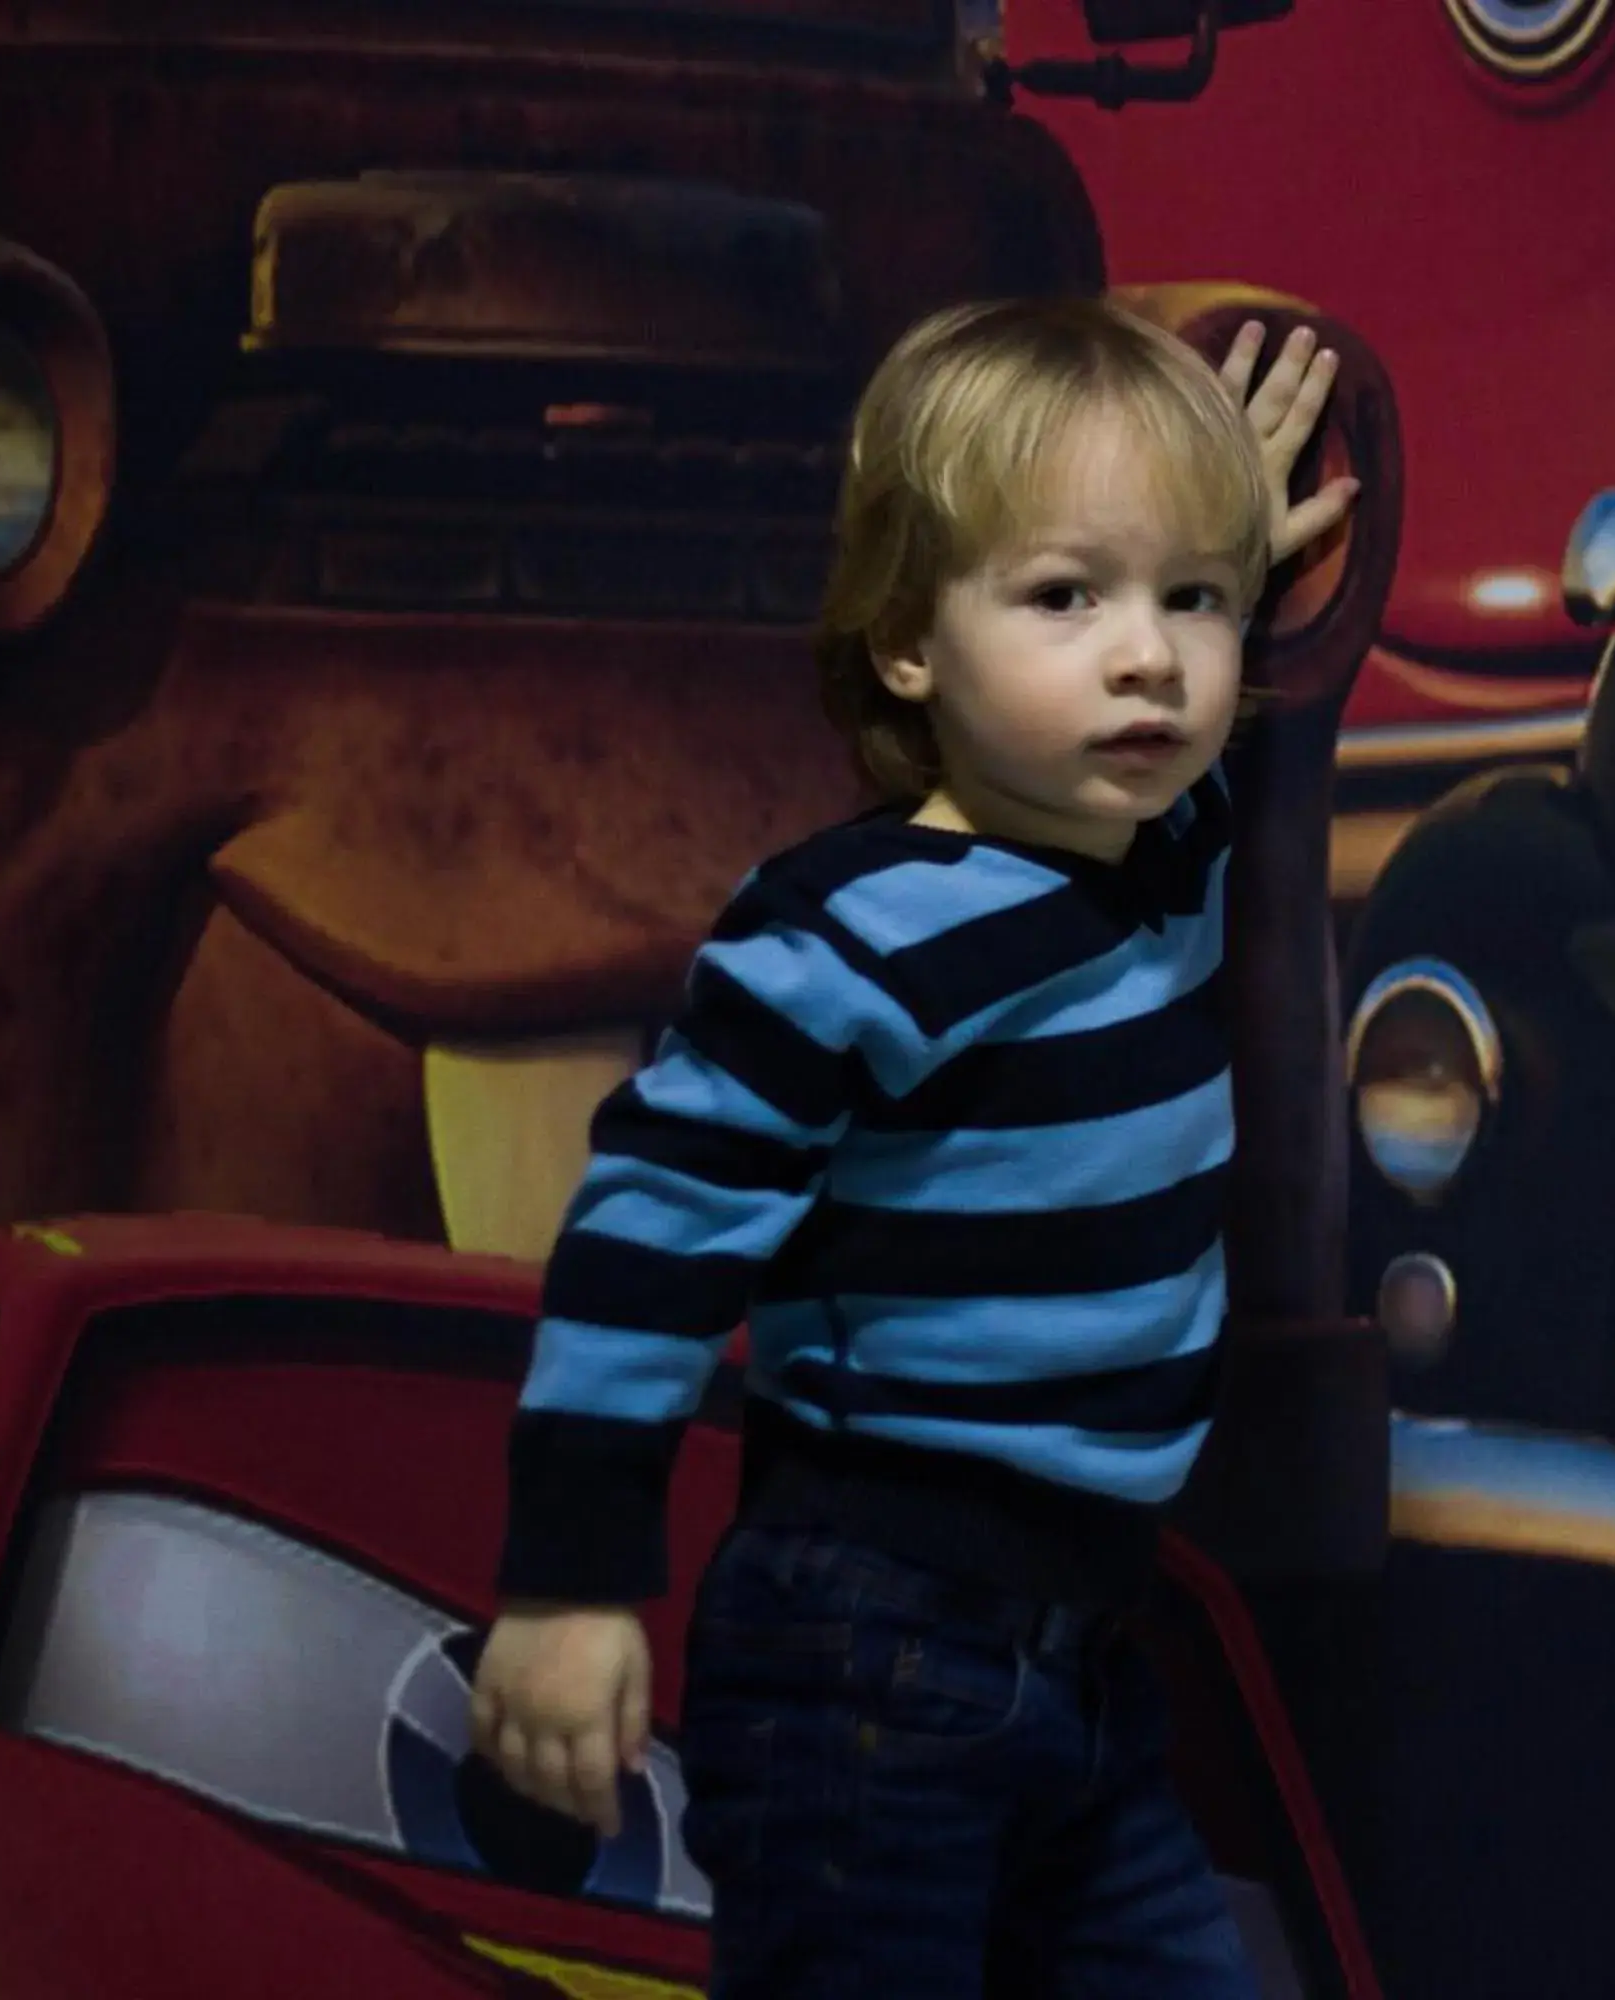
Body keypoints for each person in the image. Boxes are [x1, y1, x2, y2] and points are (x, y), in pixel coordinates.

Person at [465, 296, 1360, 1999]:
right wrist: (572, 1584)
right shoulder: (846, 935)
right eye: (1063, 596)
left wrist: (1223, 517)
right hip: (870, 1643)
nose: (1148, 655)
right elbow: (646, 1242)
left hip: (1088, 1653)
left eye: (1192, 602)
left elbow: (1207, 713)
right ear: (904, 644)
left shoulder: (1161, 859)